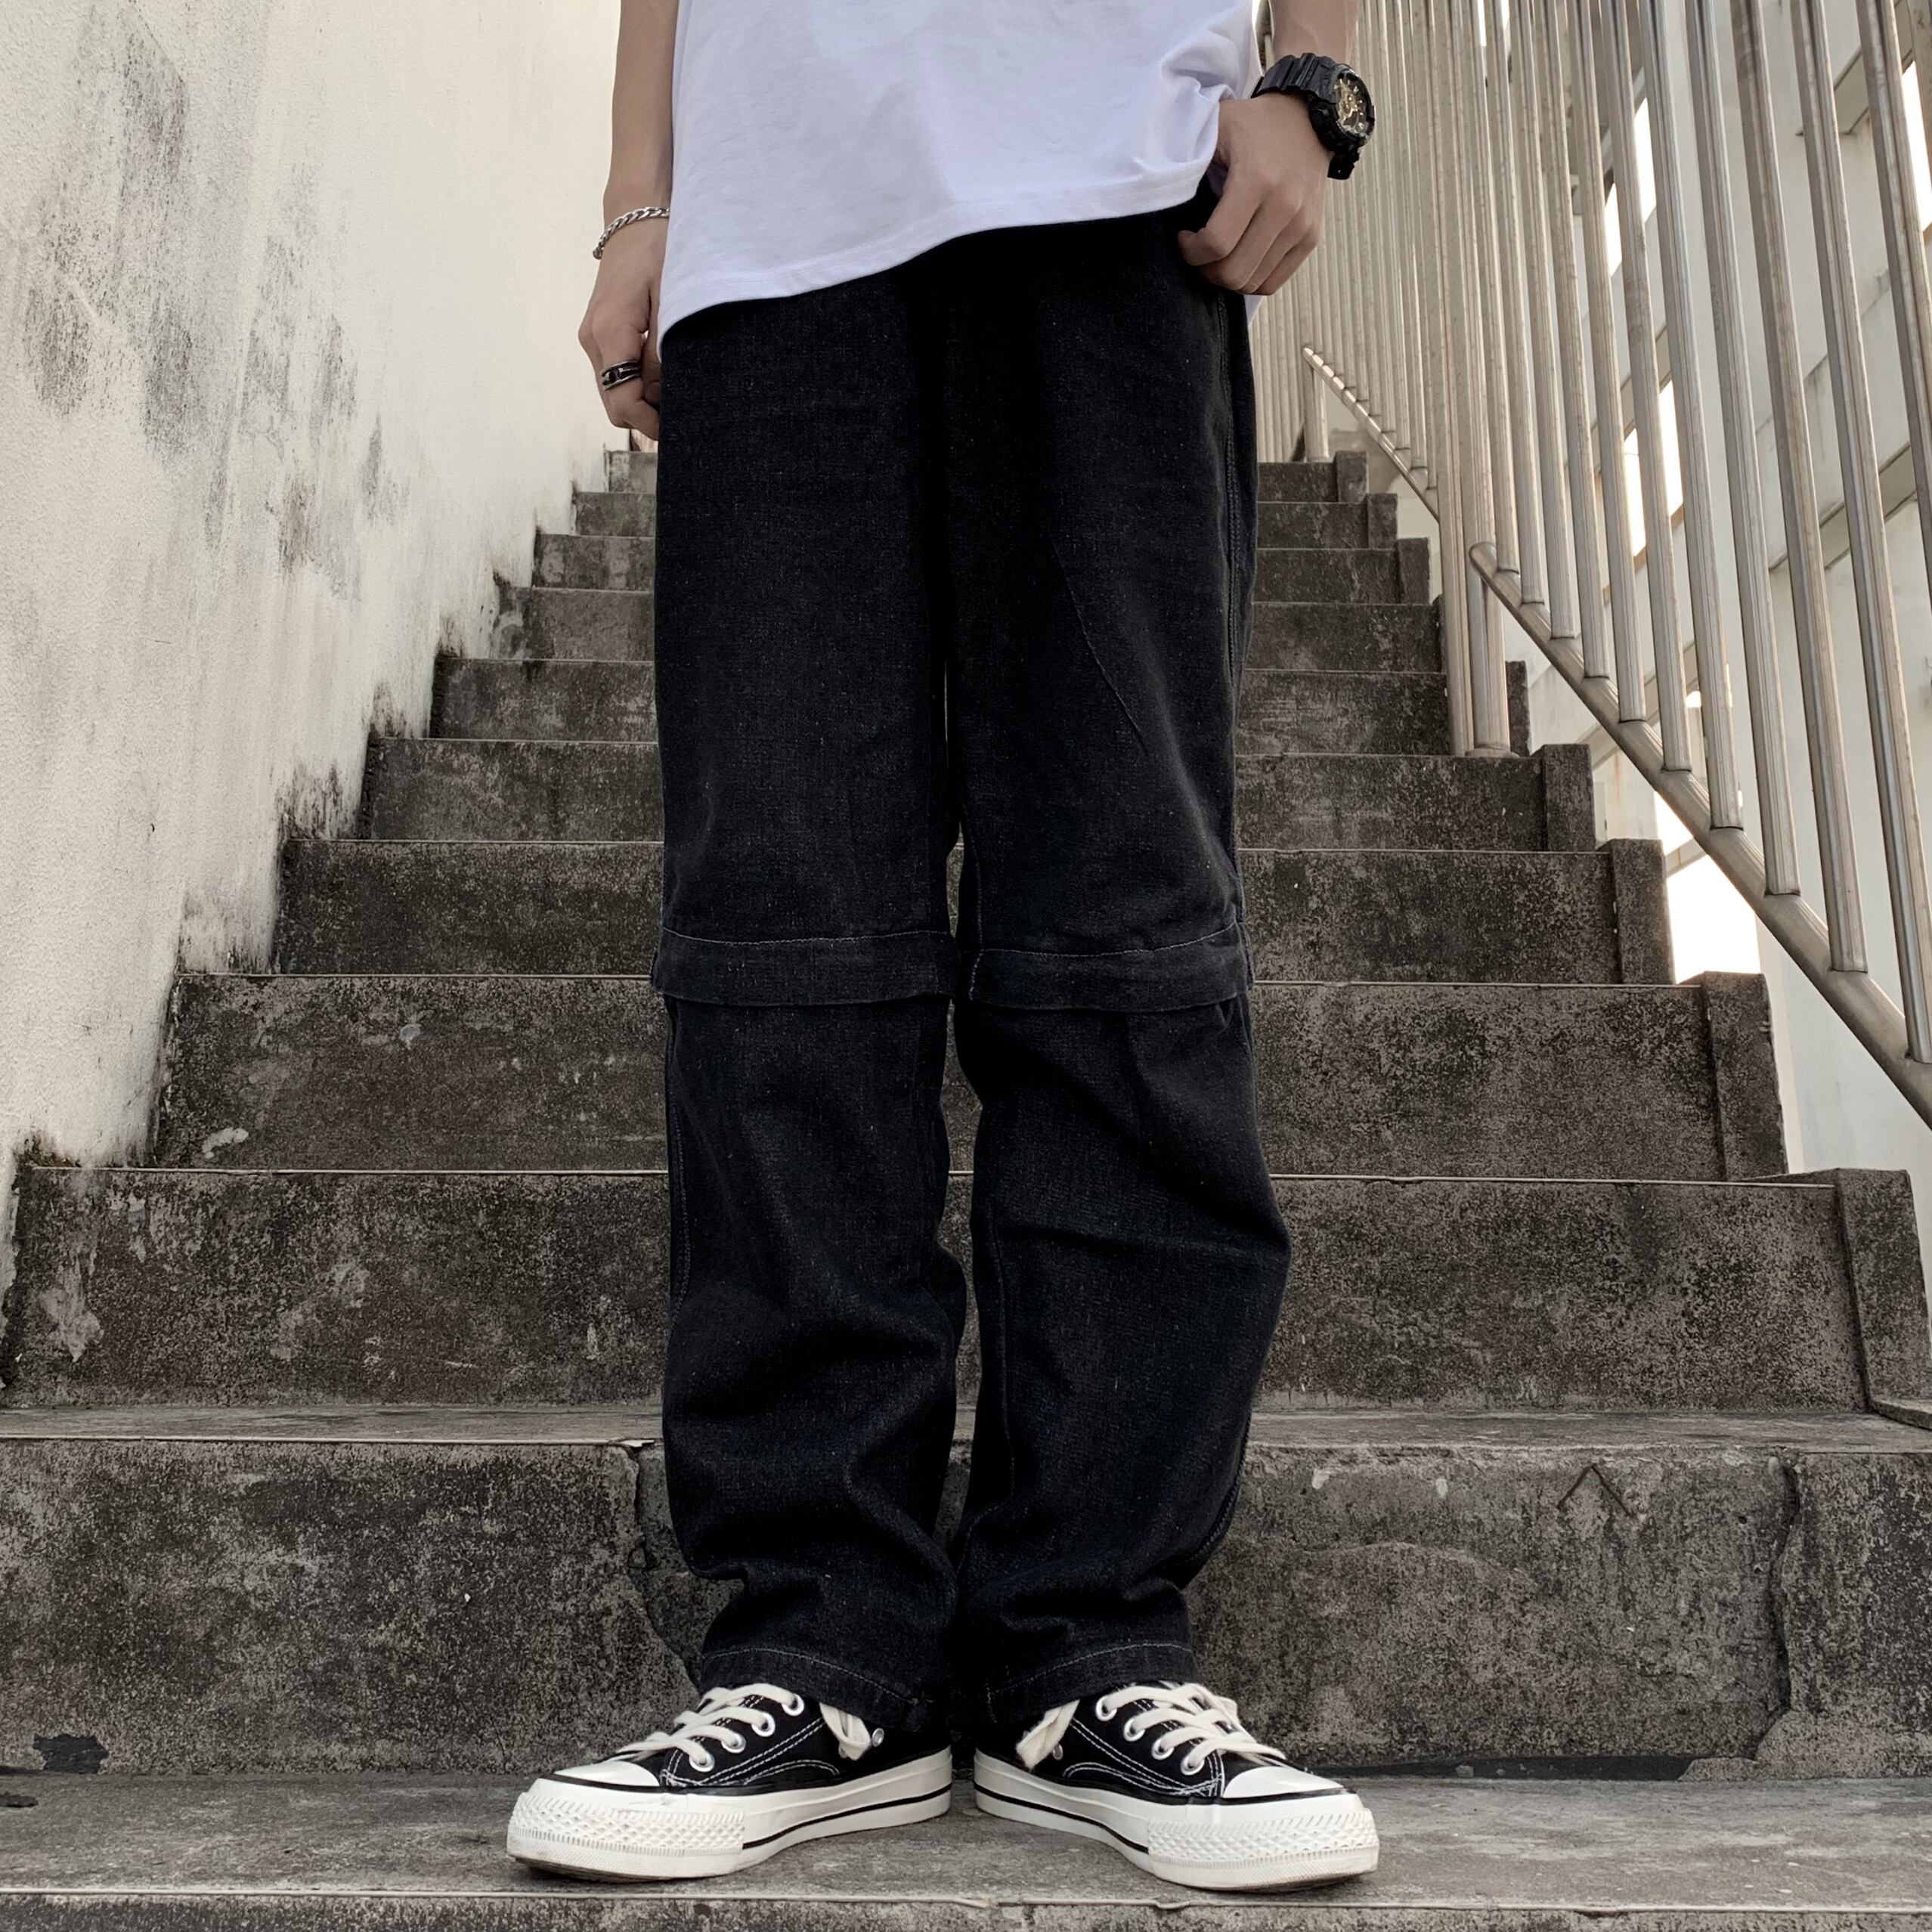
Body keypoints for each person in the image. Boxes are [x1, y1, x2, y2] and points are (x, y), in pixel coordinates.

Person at [506, 0, 1379, 1894]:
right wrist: (639, 203)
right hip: (776, 226)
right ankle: (829, 1653)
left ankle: (1094, 1647)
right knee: (779, 929)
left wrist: (1307, 85)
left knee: (1124, 915)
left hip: (1119, 190)